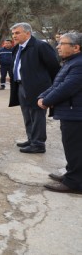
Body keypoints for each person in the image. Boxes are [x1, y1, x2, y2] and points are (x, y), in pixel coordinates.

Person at [38, 33, 82, 193]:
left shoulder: (79, 64)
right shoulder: (71, 62)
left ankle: (74, 183)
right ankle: (73, 175)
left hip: (76, 114)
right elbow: (58, 84)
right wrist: (43, 96)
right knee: (72, 147)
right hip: (71, 113)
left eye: (62, 43)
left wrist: (46, 101)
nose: (57, 47)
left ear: (76, 47)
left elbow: (67, 88)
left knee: (75, 148)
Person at [9, 23, 60, 153]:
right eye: (13, 33)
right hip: (21, 86)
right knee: (27, 114)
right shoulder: (17, 48)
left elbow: (54, 67)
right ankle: (31, 139)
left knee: (37, 116)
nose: (14, 36)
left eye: (17, 33)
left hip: (38, 88)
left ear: (28, 33)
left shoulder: (40, 46)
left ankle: (38, 144)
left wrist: (52, 88)